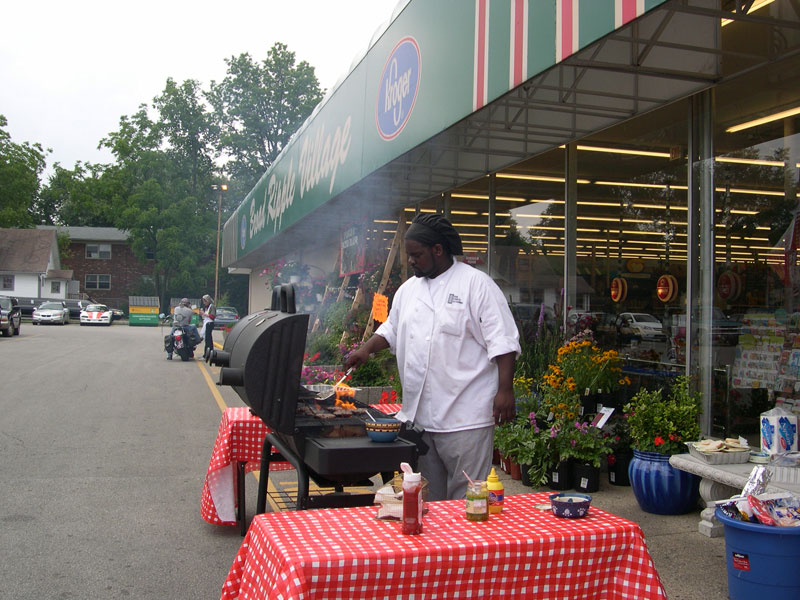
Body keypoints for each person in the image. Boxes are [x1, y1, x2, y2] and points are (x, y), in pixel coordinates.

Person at [344, 213, 520, 501]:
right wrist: (366, 349)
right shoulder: (408, 290)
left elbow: (503, 341)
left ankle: (467, 547)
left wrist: (505, 390)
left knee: (468, 499)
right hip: (421, 419)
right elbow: (391, 329)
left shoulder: (476, 284)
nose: (411, 261)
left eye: (416, 255)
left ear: (438, 250)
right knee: (429, 501)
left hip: (466, 416)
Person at [199, 294, 216, 358]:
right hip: (206, 323)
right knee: (208, 339)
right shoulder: (207, 307)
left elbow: (213, 316)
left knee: (208, 340)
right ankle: (209, 353)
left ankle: (207, 354)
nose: (204, 303)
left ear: (208, 301)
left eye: (205, 301)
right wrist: (202, 314)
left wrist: (205, 314)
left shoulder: (212, 307)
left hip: (209, 324)